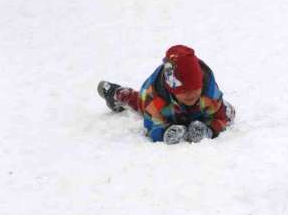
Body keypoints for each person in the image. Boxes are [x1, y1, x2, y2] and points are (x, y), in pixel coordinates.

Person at [97, 45, 235, 144]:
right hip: (164, 108)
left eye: (195, 89)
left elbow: (220, 117)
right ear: (172, 89)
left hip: (199, 110)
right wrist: (165, 132)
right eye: (184, 91)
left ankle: (215, 109)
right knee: (139, 102)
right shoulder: (155, 99)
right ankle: (116, 93)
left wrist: (208, 130)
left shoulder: (208, 93)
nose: (191, 95)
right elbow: (151, 126)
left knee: (228, 113)